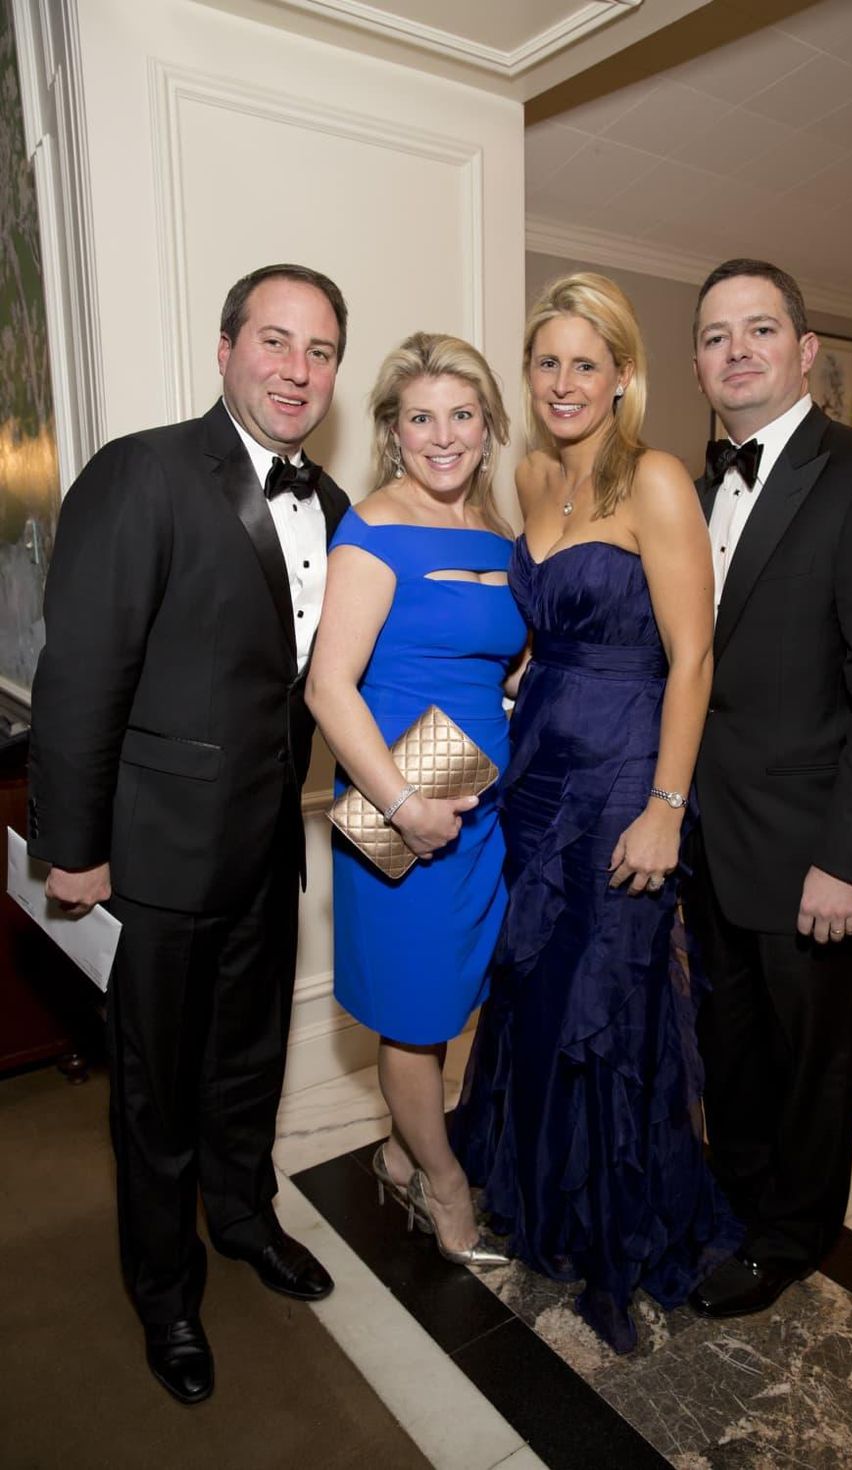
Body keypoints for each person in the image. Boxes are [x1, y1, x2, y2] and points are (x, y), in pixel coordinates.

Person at [28, 264, 350, 1404]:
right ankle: (164, 1295)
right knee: (155, 1096)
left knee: (245, 1070)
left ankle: (247, 1223)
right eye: (275, 341)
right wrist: (71, 848)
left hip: (267, 853)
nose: (296, 370)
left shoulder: (340, 508)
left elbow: (332, 686)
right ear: (225, 349)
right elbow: (80, 676)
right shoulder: (145, 472)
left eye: (318, 352)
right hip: (153, 861)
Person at [452, 272, 742, 1354]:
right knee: (527, 983)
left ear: (623, 375)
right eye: (546, 362)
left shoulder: (656, 479)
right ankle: (540, 1202)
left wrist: (666, 804)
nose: (563, 382)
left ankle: (616, 1229)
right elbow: (536, 626)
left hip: (625, 769)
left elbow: (692, 655)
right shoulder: (527, 473)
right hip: (536, 771)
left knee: (606, 998)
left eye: (586, 362)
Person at [685, 258, 852, 1318]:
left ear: (803, 352)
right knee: (730, 1049)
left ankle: (790, 1236)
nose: (734, 350)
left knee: (812, 1064)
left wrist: (846, 857)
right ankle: (737, 1201)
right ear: (696, 361)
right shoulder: (690, 490)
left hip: (811, 851)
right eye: (712, 335)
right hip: (707, 842)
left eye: (757, 329)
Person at [305, 333, 526, 1266]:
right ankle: (444, 1186)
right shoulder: (372, 529)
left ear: (488, 426)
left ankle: (402, 1150)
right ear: (394, 430)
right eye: (421, 418)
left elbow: (500, 656)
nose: (444, 438)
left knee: (467, 999)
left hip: (487, 803)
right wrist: (403, 804)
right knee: (417, 1014)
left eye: (462, 416)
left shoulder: (497, 531)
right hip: (409, 808)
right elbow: (328, 685)